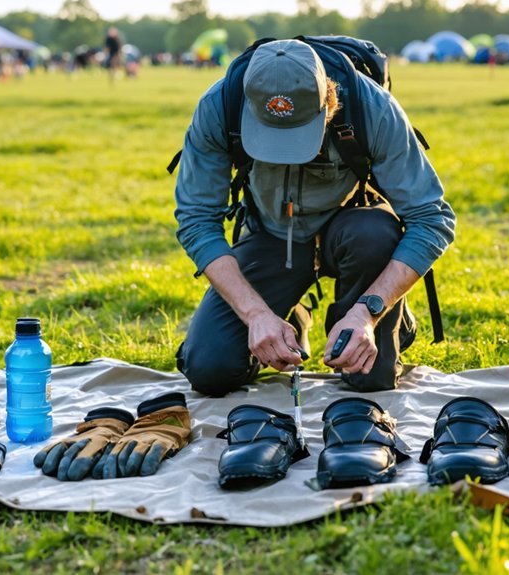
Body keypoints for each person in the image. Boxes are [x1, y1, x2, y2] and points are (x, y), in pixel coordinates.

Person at [173, 39, 456, 396]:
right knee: (210, 370)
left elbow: (432, 218)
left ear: (330, 102)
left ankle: (382, 316)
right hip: (270, 234)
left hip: (352, 228)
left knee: (371, 379)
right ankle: (292, 313)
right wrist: (255, 313)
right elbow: (197, 219)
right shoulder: (219, 107)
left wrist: (368, 312)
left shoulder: (373, 107)